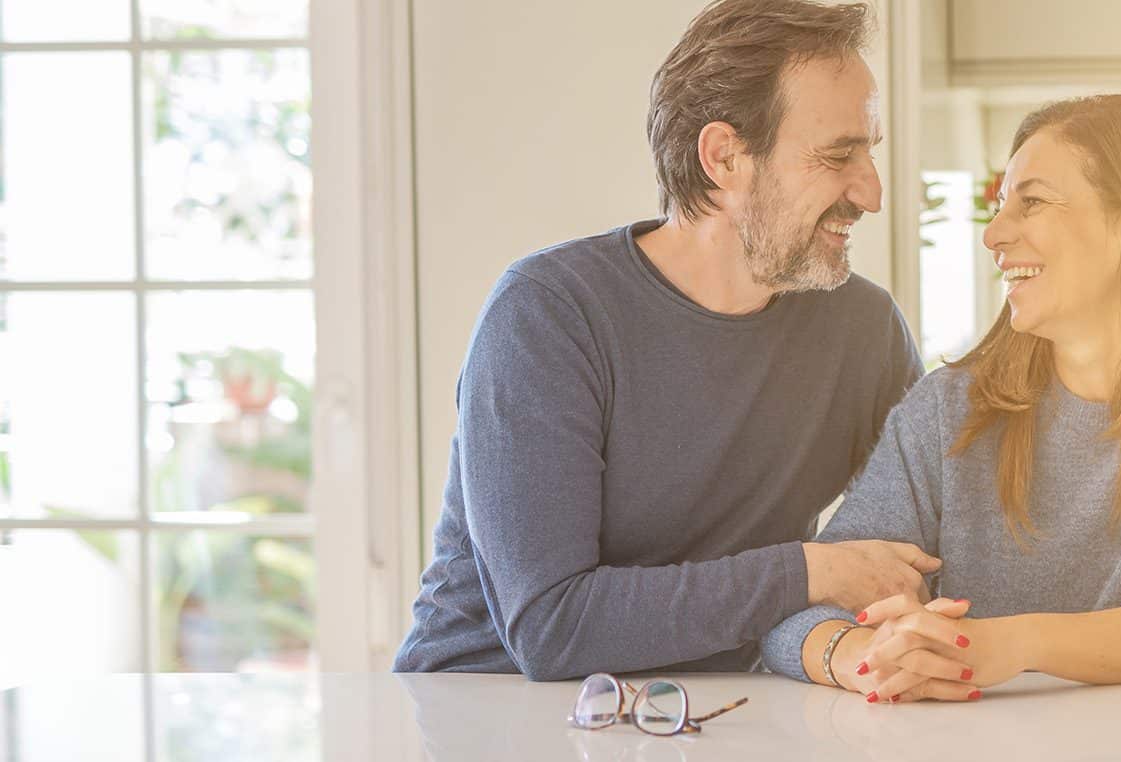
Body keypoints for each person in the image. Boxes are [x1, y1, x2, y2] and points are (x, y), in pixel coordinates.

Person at [395, 0, 940, 681]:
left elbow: (937, 525)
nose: (873, 192)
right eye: (839, 155)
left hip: (715, 709)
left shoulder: (863, 330)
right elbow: (551, 628)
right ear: (724, 157)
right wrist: (813, 570)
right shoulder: (550, 314)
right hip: (486, 708)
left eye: (870, 153)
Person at [759, 94, 1121, 703]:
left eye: (1032, 202)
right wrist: (867, 655)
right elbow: (804, 609)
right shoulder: (949, 407)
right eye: (1000, 207)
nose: (994, 235)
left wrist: (1003, 646)